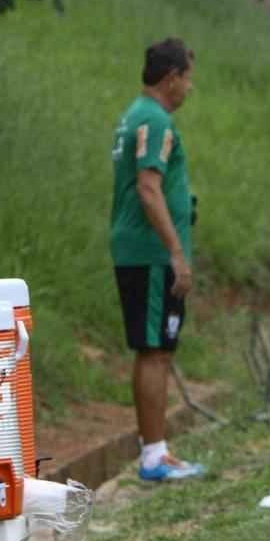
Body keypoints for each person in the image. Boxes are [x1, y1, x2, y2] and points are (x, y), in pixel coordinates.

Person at [110, 38, 205, 482]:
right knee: (154, 352)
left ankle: (157, 451)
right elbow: (149, 188)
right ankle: (154, 456)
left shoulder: (137, 115)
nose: (190, 88)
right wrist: (175, 252)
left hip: (142, 252)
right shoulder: (155, 121)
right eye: (188, 78)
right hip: (150, 256)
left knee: (157, 350)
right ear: (171, 78)